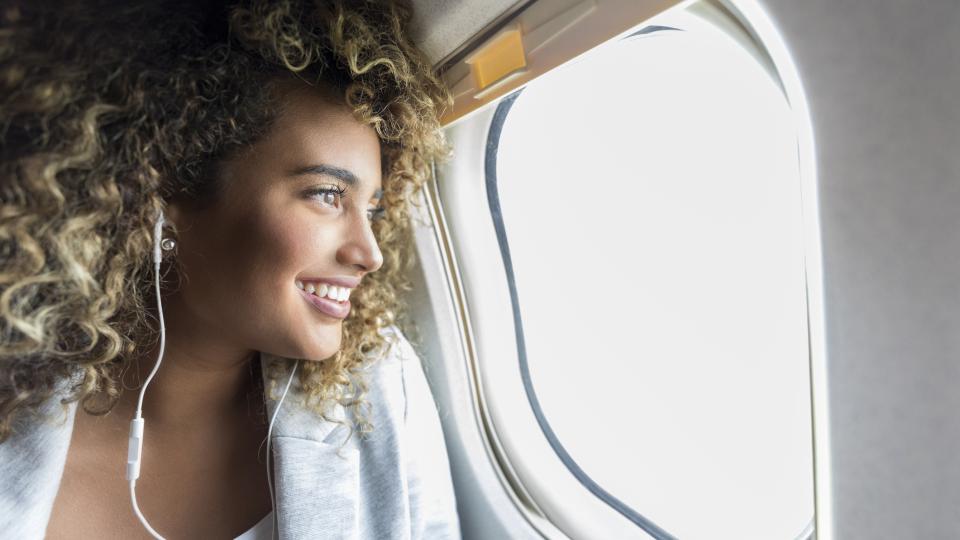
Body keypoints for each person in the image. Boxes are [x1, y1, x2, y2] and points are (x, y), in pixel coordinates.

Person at [0, 0, 460, 538]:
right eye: (327, 194)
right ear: (173, 192)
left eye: (373, 210)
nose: (370, 252)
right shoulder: (14, 399)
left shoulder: (380, 384)